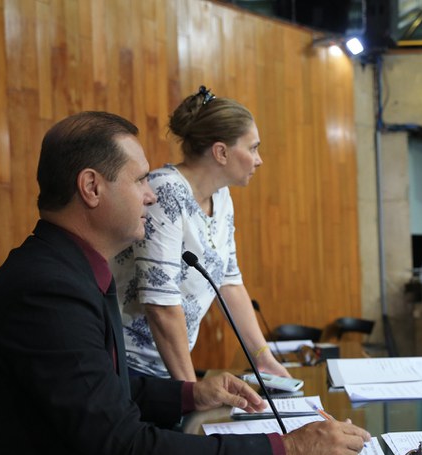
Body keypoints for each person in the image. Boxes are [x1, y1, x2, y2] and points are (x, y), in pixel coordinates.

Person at [0, 111, 371, 455]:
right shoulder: (46, 293)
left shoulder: (66, 270)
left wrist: (190, 395)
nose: (151, 196)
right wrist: (289, 454)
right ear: (92, 188)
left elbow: (103, 391)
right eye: (139, 180)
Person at [111, 86, 290, 381]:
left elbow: (229, 283)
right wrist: (190, 391)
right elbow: (160, 304)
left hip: (166, 368)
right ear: (221, 152)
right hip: (128, 367)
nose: (259, 159)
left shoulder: (222, 197)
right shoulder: (166, 191)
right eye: (253, 148)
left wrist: (264, 359)